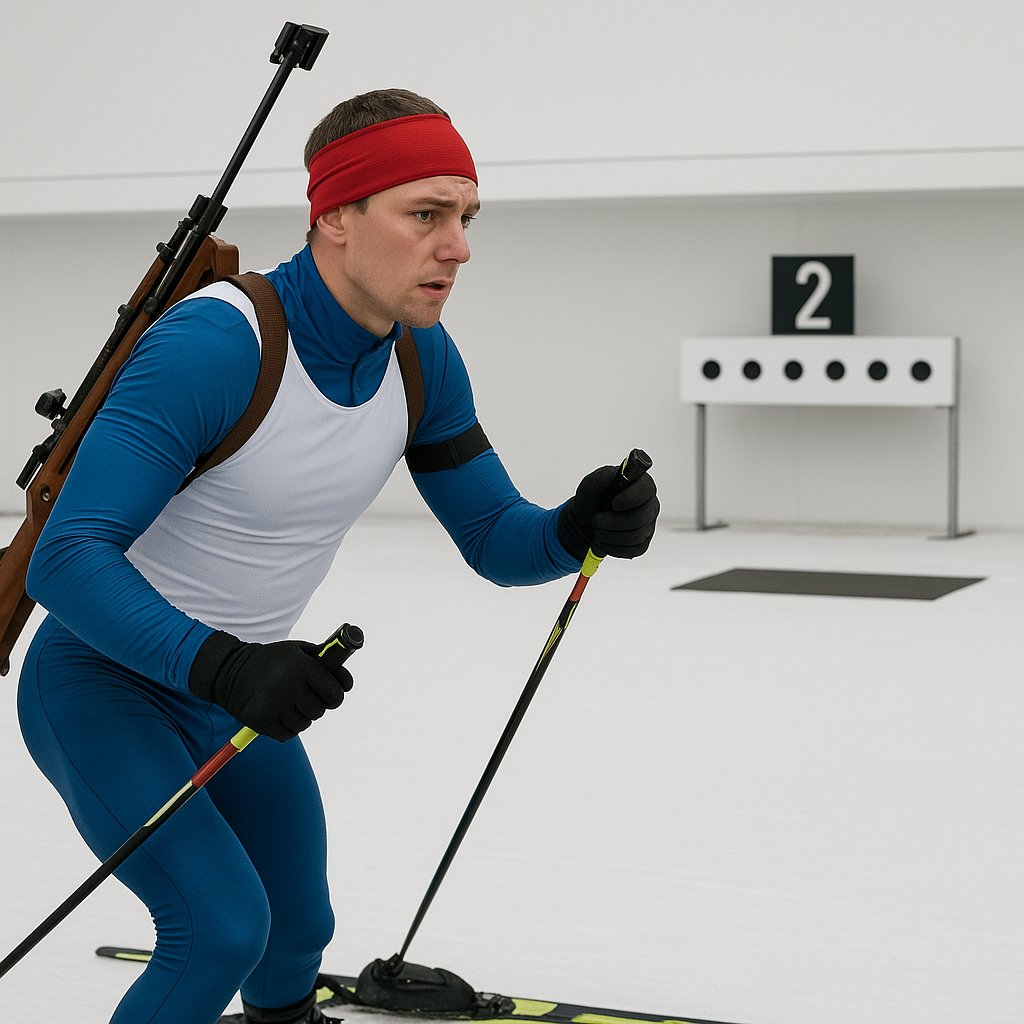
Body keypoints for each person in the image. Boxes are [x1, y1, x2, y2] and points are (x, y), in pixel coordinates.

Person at [18, 88, 659, 1024]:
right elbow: (65, 560)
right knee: (219, 928)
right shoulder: (214, 346)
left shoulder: (418, 359)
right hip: (102, 682)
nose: (458, 247)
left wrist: (576, 526)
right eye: (426, 215)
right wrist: (225, 664)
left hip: (231, 690)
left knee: (297, 932)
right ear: (336, 219)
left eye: (467, 218)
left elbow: (493, 540)